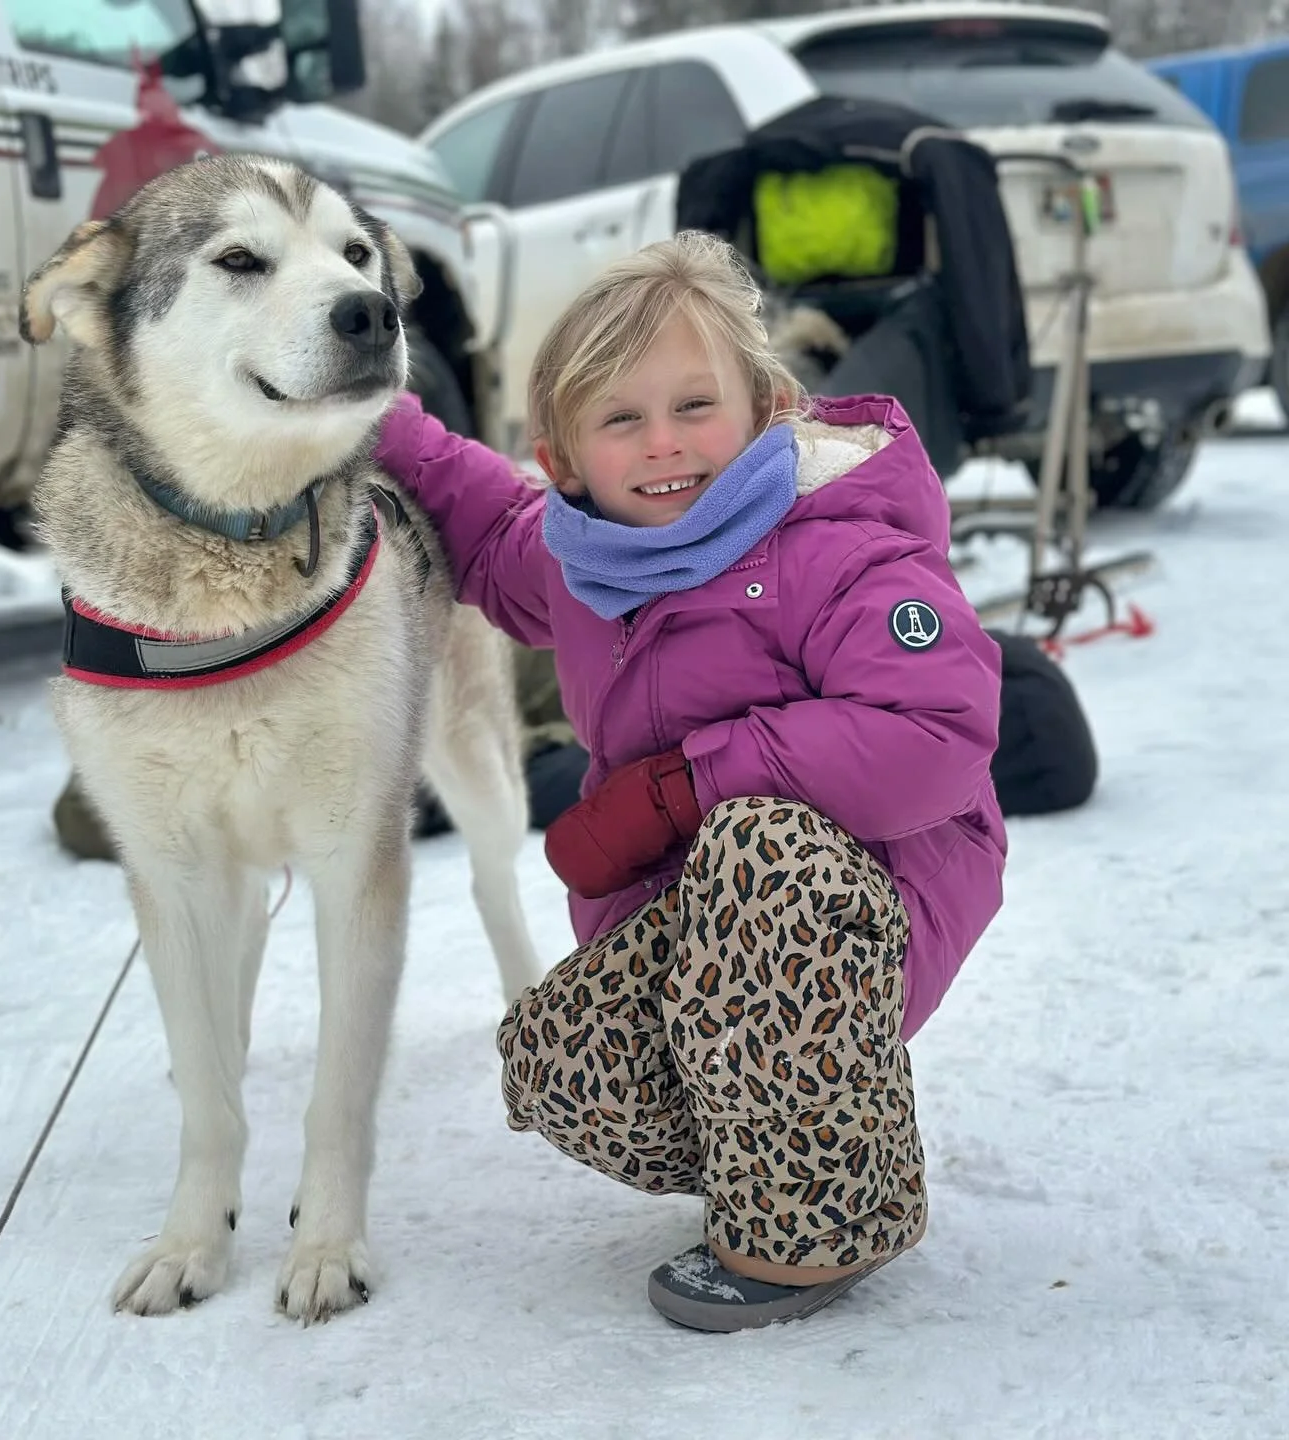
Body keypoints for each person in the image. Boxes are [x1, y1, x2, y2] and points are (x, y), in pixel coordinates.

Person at [373, 232, 1007, 1331]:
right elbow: (480, 522)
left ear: (764, 406)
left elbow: (933, 732)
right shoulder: (587, 560)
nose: (663, 445)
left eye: (693, 407)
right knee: (556, 1062)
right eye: (621, 419)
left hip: (865, 902)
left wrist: (677, 789)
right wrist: (374, 419)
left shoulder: (840, 547)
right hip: (704, 935)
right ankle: (780, 1135)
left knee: (760, 849)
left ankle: (818, 1226)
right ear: (564, 458)